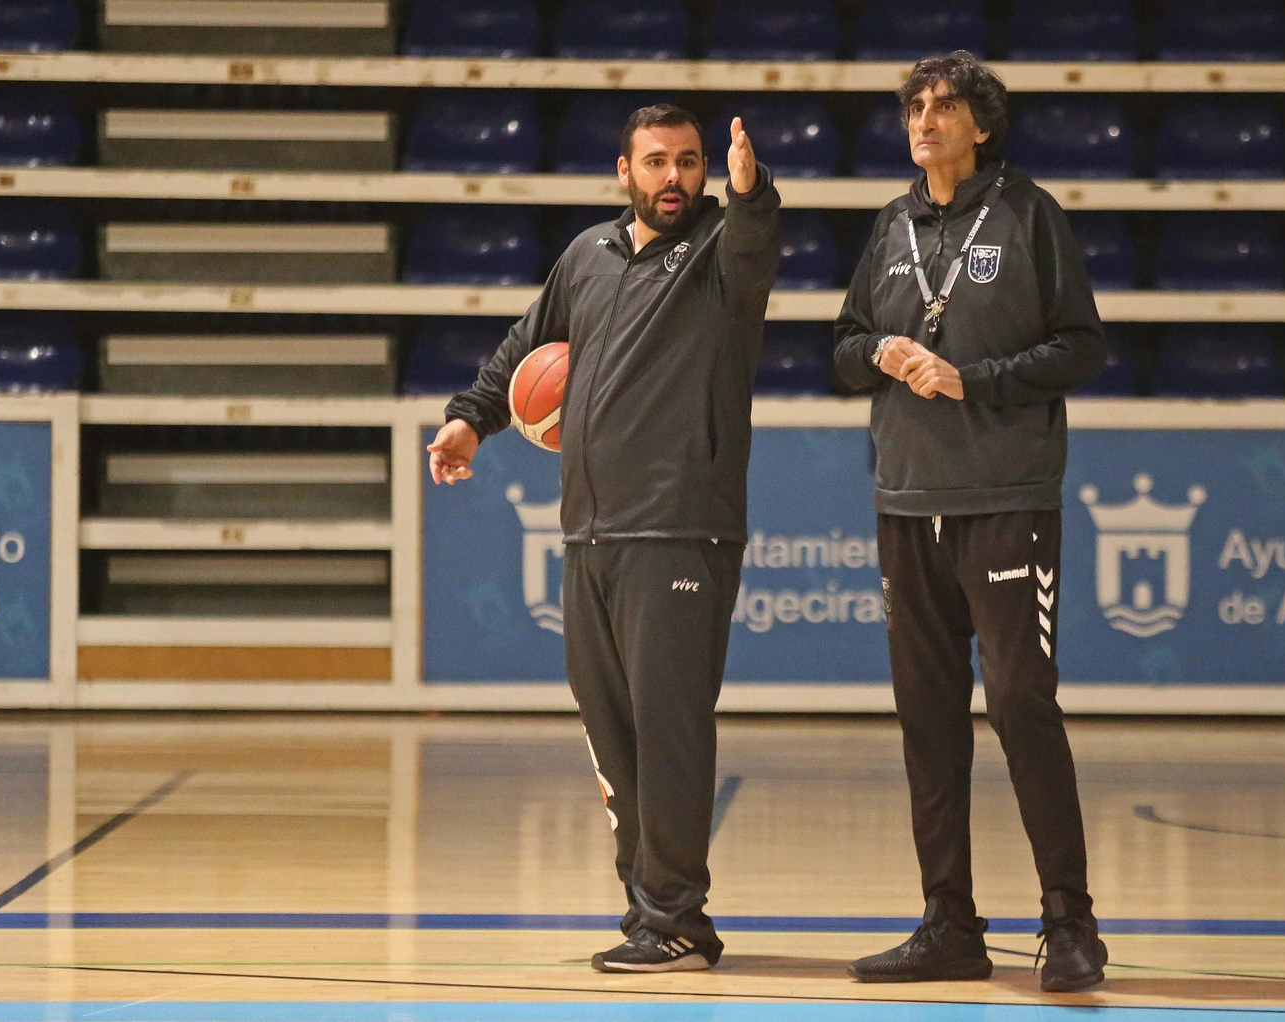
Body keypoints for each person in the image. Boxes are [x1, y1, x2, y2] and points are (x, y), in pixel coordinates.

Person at [427, 105, 781, 973]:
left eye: (690, 163)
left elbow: (756, 234)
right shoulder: (586, 256)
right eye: (657, 162)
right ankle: (647, 910)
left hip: (679, 527)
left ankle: (678, 917)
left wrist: (750, 188)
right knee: (611, 731)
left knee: (669, 729)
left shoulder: (721, 254)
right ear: (623, 170)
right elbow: (528, 345)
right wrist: (472, 419)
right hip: (588, 530)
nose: (675, 179)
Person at [833, 52, 1110, 991]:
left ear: (981, 125)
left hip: (1006, 500)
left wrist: (973, 381)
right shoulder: (891, 225)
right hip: (907, 500)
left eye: (945, 105)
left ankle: (1070, 924)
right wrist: (881, 348)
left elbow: (1082, 345)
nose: (925, 118)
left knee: (1023, 705)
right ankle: (949, 920)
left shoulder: (1031, 216)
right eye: (915, 105)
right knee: (928, 718)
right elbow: (840, 349)